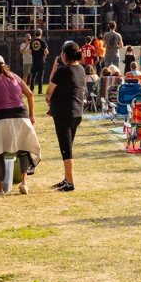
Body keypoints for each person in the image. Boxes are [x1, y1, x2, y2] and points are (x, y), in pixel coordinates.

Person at [0, 54, 41, 195]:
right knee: (23, 150)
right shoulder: (15, 77)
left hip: (1, 120)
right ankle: (24, 182)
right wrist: (31, 115)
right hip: (22, 118)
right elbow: (30, 94)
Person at [46, 40, 86, 192]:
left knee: (66, 149)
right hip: (77, 113)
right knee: (68, 147)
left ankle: (70, 182)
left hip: (64, 113)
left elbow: (49, 92)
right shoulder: (81, 69)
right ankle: (66, 178)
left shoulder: (62, 71)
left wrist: (51, 106)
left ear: (64, 54)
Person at [22, 29, 49, 94]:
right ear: (41, 34)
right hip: (41, 62)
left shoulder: (32, 42)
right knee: (40, 77)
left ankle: (31, 90)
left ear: (35, 34)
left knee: (33, 77)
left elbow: (28, 50)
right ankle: (40, 91)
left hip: (34, 61)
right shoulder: (43, 42)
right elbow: (47, 51)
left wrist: (33, 54)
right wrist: (44, 54)